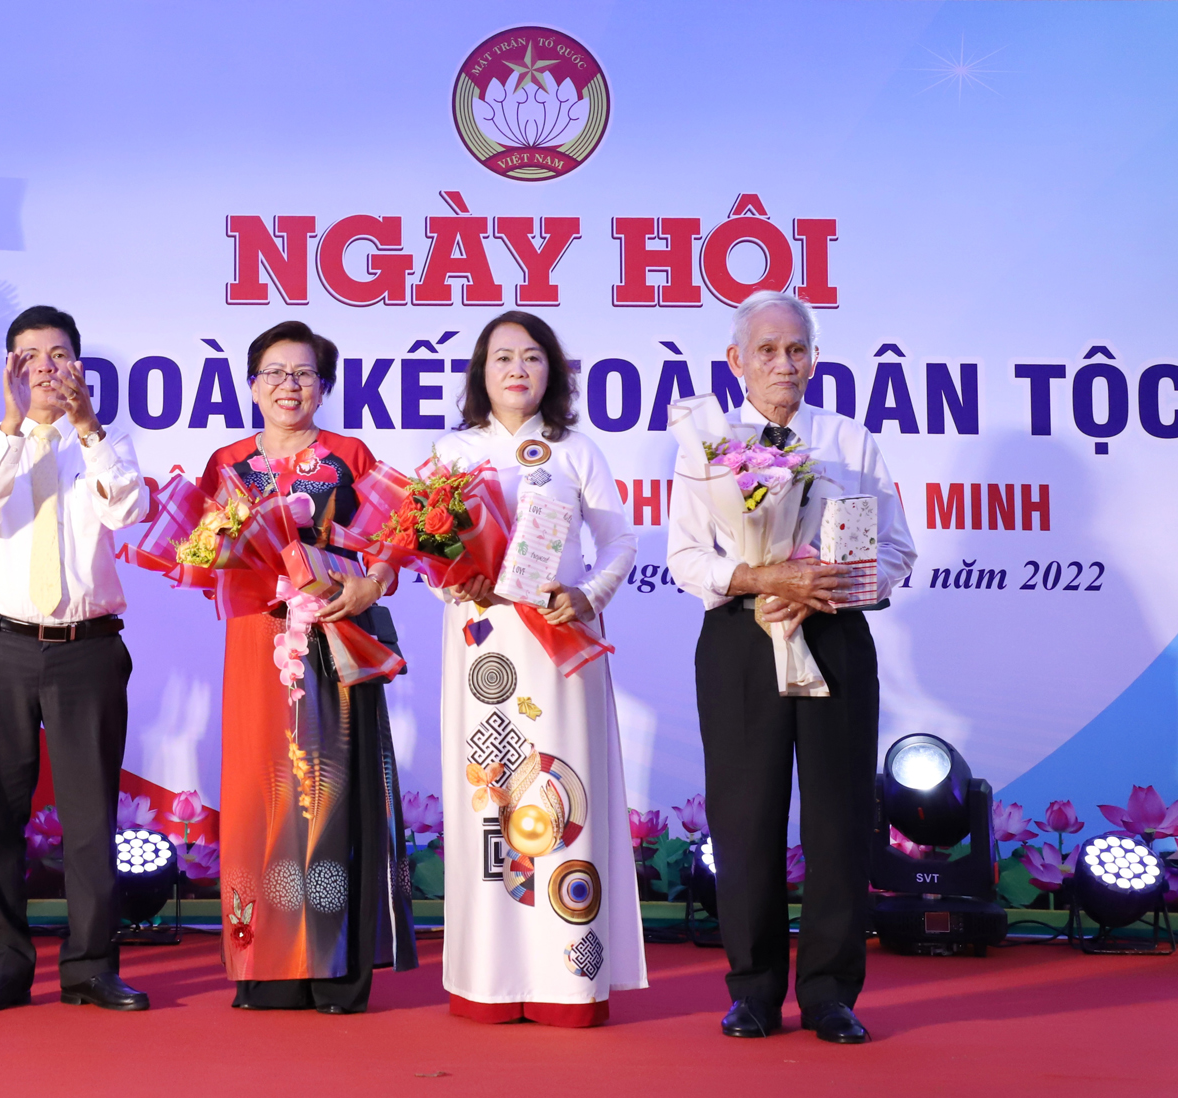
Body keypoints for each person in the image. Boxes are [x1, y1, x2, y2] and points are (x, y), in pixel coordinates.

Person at [667, 290, 916, 1044]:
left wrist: (827, 586)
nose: (785, 363)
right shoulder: (703, 442)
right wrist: (762, 581)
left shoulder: (852, 441)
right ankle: (753, 991)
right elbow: (685, 557)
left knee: (840, 818)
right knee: (744, 821)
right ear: (736, 360)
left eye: (798, 348)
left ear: (815, 358)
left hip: (834, 634)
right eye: (768, 350)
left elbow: (898, 552)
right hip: (741, 640)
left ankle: (832, 991)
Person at [432, 311, 646, 1026]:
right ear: (480, 372)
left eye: (531, 357)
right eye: (501, 358)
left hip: (560, 645)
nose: (517, 369)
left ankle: (566, 981)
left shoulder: (577, 451)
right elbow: (425, 550)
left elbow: (619, 542)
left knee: (561, 797)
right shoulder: (452, 451)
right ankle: (489, 977)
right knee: (489, 800)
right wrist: (449, 582)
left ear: (551, 370)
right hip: (483, 646)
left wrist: (586, 594)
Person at [200, 321, 416, 1014]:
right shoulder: (227, 462)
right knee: (260, 797)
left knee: (331, 795)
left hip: (334, 639)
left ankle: (333, 962)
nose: (289, 386)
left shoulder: (350, 456)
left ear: (323, 386)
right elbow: (206, 558)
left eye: (304, 374)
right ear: (252, 384)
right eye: (274, 373)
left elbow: (390, 543)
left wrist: (370, 581)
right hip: (257, 647)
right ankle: (267, 961)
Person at [0, 306, 152, 1012]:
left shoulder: (107, 441)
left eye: (58, 353)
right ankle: (4, 962)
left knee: (92, 817)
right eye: (29, 354)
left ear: (79, 366)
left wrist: (90, 428)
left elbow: (128, 511)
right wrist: (13, 424)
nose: (44, 366)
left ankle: (92, 965)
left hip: (86, 650)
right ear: (10, 366)